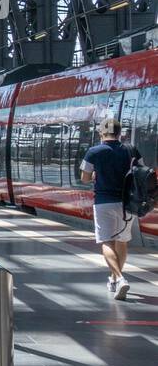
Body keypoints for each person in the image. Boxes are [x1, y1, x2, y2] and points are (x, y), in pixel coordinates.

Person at [80, 117, 137, 299]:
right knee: (122, 241)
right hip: (127, 203)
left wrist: (97, 173)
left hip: (104, 202)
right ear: (120, 133)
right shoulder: (131, 150)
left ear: (101, 133)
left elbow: (85, 178)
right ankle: (113, 279)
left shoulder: (93, 152)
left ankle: (119, 278)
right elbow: (141, 172)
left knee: (106, 241)